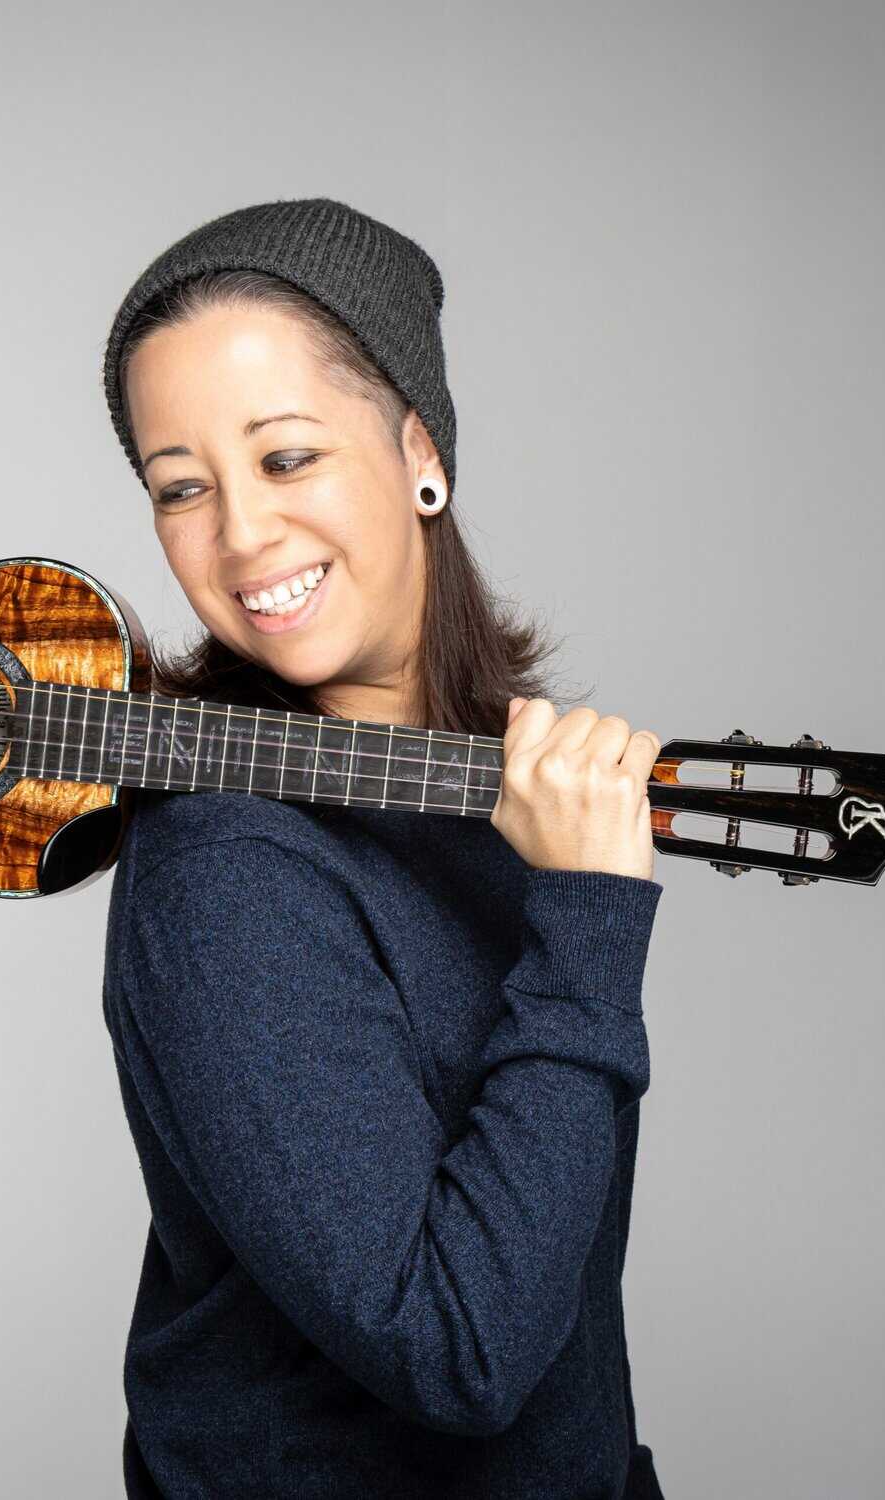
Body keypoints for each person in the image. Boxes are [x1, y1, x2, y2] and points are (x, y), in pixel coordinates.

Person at [97, 196, 667, 1499]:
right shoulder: (224, 869)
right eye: (181, 486)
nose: (241, 536)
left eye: (285, 459)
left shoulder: (511, 798)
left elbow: (558, 1289)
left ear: (421, 447)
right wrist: (587, 926)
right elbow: (459, 1349)